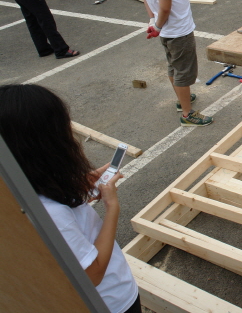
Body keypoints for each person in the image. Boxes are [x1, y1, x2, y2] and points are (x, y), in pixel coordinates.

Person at [0, 84, 140, 313]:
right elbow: (93, 274)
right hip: (114, 302)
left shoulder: (22, 185)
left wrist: (81, 184)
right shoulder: (51, 214)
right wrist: (112, 208)